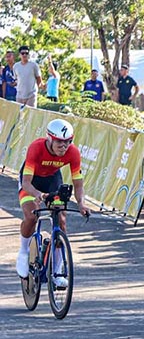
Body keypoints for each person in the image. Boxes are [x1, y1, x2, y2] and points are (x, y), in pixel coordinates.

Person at [16, 119, 90, 285]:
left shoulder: (73, 152)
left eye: (68, 142)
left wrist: (81, 203)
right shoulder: (36, 147)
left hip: (52, 180)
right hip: (32, 181)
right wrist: (38, 195)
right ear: (50, 138)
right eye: (59, 142)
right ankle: (23, 251)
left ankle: (57, 271)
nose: (64, 146)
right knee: (31, 216)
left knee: (61, 221)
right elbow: (26, 183)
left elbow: (78, 184)